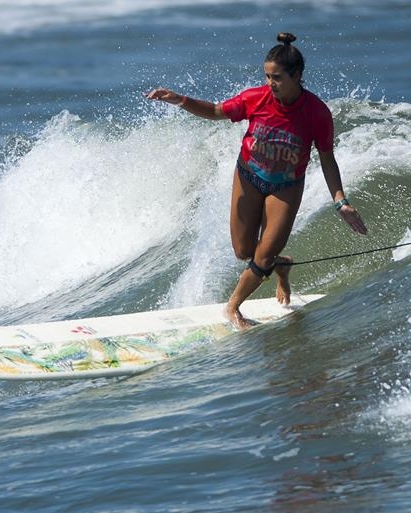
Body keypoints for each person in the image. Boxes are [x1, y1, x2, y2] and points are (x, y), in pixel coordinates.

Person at [147, 32, 367, 329]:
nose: (270, 84)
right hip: (249, 177)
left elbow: (327, 159)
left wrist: (341, 201)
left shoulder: (316, 113)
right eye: (267, 76)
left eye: (276, 77)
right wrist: (180, 100)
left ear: (297, 75)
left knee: (262, 258)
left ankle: (233, 308)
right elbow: (215, 112)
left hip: (286, 187)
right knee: (244, 252)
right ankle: (282, 264)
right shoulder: (256, 98)